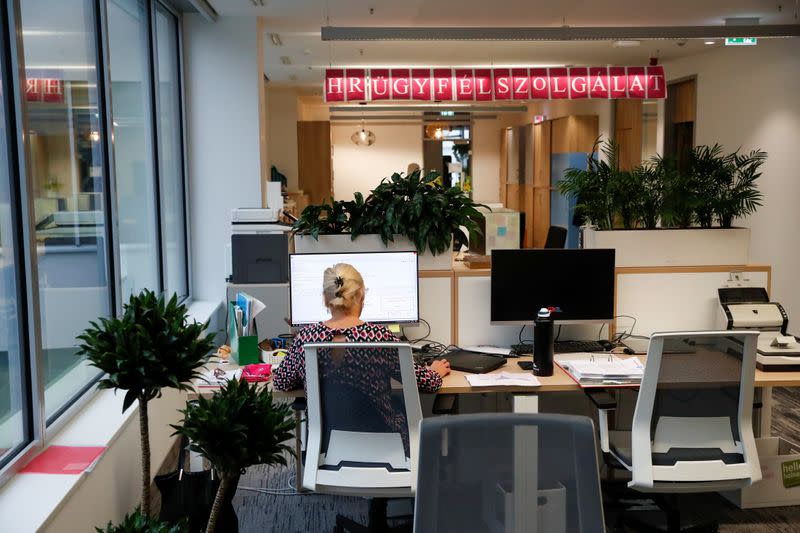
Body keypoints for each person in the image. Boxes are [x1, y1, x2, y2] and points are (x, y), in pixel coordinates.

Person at [273, 263, 450, 394]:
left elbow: (281, 382)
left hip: (327, 441)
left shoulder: (305, 339)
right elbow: (427, 383)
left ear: (326, 300)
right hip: (380, 437)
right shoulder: (380, 337)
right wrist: (434, 372)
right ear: (361, 295)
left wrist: (309, 376)